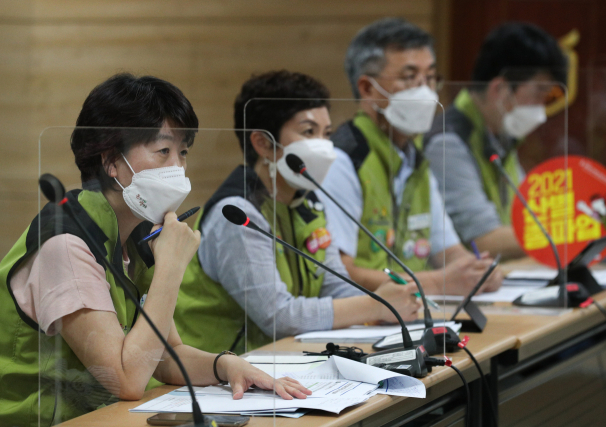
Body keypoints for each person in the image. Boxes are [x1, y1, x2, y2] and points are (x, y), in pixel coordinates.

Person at [0, 73, 309, 427]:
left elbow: (165, 354)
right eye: (163, 152)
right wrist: (171, 267)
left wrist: (226, 365)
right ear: (112, 161)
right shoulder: (67, 244)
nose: (177, 168)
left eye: (183, 153)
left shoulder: (136, 235)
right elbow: (126, 379)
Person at [174, 70, 421, 354]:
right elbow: (277, 316)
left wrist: (391, 305)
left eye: (327, 133)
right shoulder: (238, 214)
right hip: (216, 374)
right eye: (308, 132)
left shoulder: (309, 201)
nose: (325, 146)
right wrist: (374, 305)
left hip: (284, 364)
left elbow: (335, 286)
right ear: (263, 144)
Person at [321, 18, 504, 296]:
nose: (426, 91)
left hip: (413, 315)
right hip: (362, 321)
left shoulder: (414, 157)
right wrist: (437, 282)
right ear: (368, 89)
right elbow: (339, 273)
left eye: (430, 77)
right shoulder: (342, 160)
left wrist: (477, 270)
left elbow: (449, 251)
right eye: (409, 78)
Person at [424, 23, 567, 260]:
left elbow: (528, 217)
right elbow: (483, 239)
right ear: (499, 88)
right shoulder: (447, 142)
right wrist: (573, 231)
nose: (542, 107)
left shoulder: (501, 136)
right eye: (539, 93)